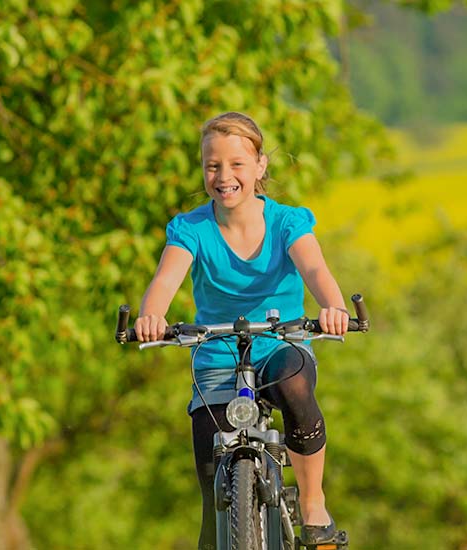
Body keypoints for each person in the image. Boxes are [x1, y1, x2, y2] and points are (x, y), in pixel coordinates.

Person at [132, 112, 351, 549]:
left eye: (236, 164)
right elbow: (164, 281)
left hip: (279, 346)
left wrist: (333, 306)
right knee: (213, 514)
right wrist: (151, 316)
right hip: (216, 357)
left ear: (259, 167)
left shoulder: (288, 222)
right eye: (212, 166)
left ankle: (312, 502)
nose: (224, 176)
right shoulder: (191, 228)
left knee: (295, 385)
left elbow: (315, 268)